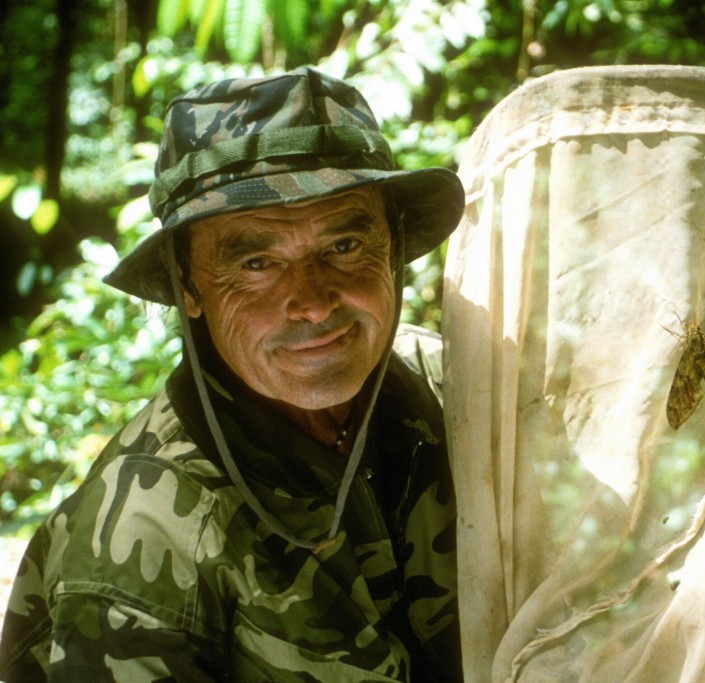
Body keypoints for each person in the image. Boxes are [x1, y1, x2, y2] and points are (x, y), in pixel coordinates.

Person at [0, 66, 465, 682]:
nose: (314, 301)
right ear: (187, 285)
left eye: (345, 246)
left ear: (394, 242)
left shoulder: (456, 392)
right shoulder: (149, 535)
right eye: (257, 262)